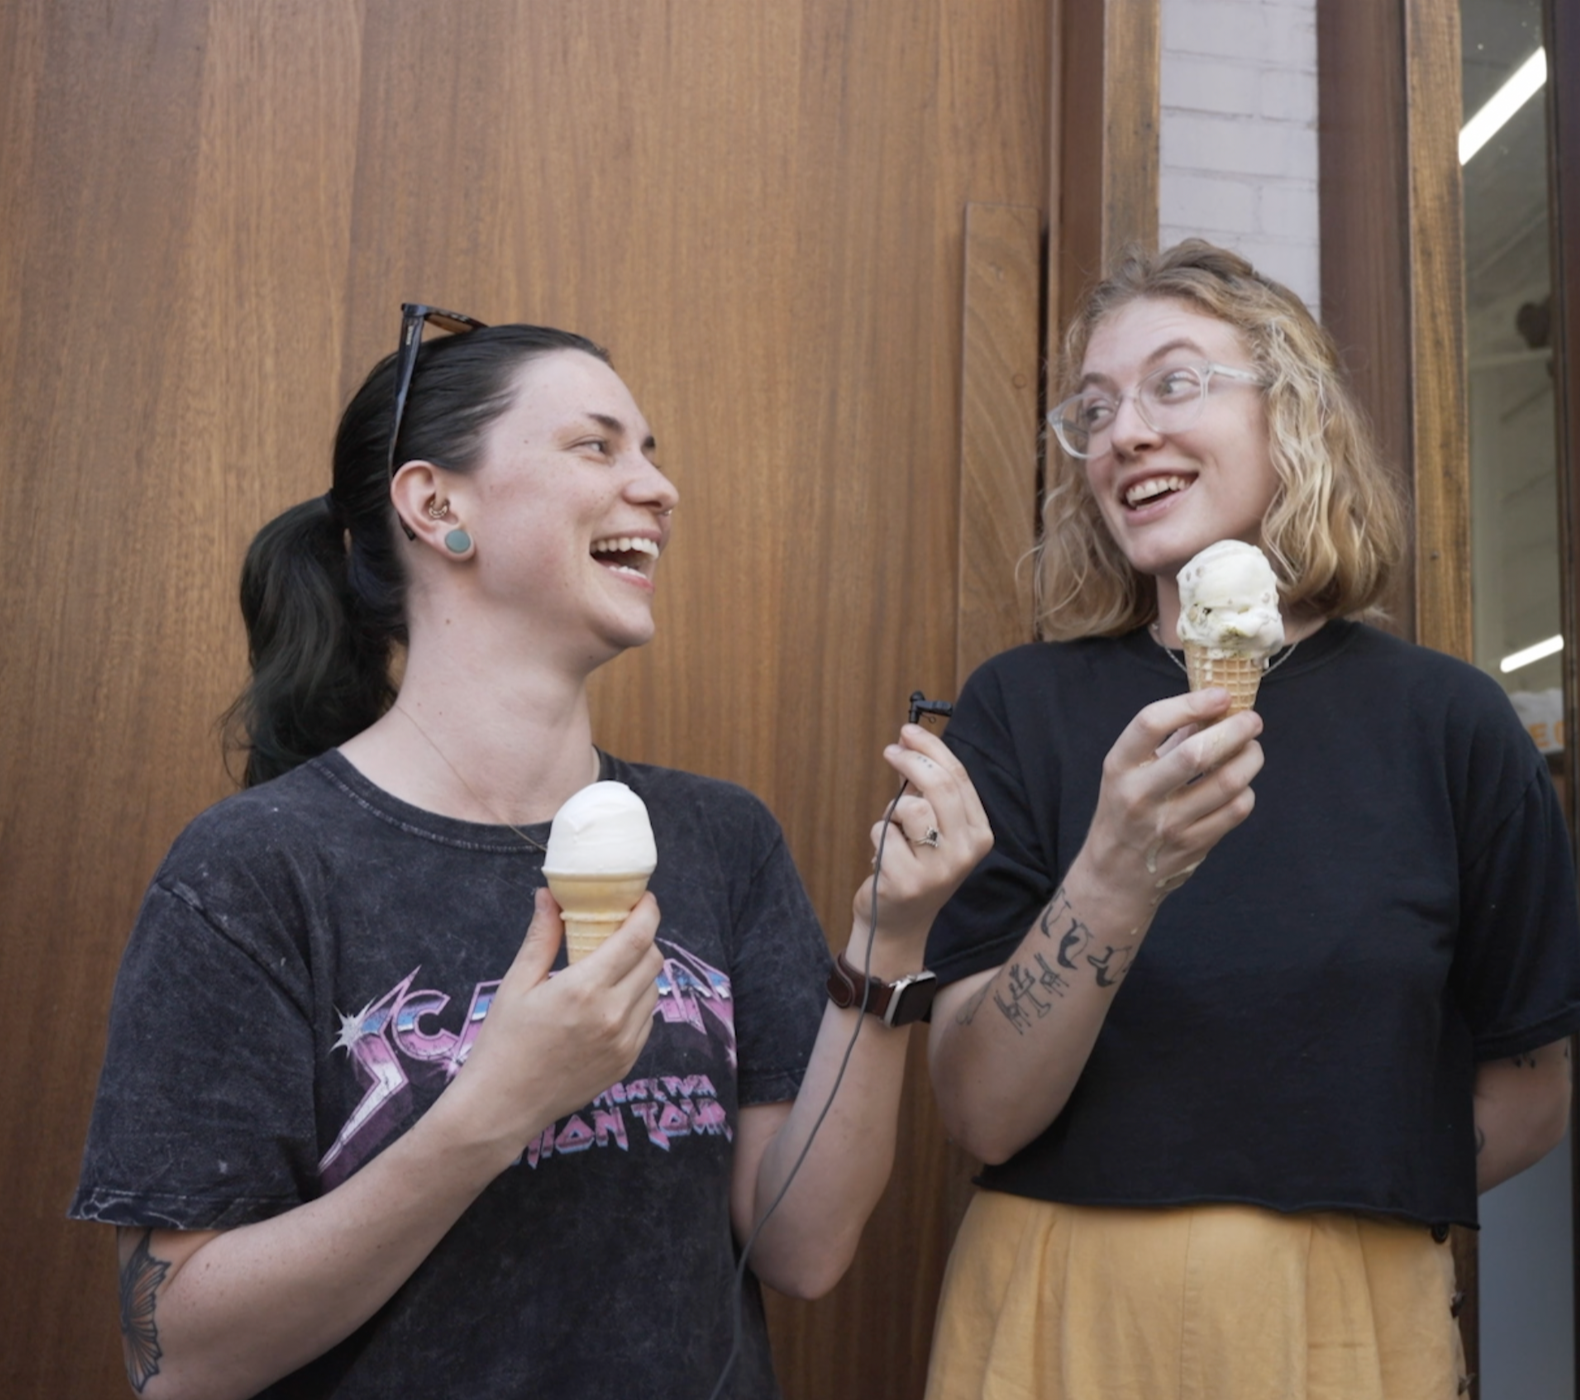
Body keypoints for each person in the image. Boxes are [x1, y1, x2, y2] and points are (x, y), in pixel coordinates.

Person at [69, 311, 991, 1398]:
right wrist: (495, 1106)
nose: (659, 488)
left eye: (651, 452)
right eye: (596, 446)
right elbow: (175, 1356)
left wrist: (887, 943)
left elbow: (804, 1246)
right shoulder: (255, 871)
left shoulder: (720, 837)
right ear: (436, 505)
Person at [919, 240, 1580, 1398]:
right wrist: (1113, 874)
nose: (1125, 431)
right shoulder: (1018, 709)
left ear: (1291, 413)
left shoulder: (1449, 723)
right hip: (1058, 1306)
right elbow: (980, 1109)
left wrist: (1341, 1218)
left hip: (1347, 1314)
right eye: (1095, 408)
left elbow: (1533, 1093)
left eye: (1174, 382)